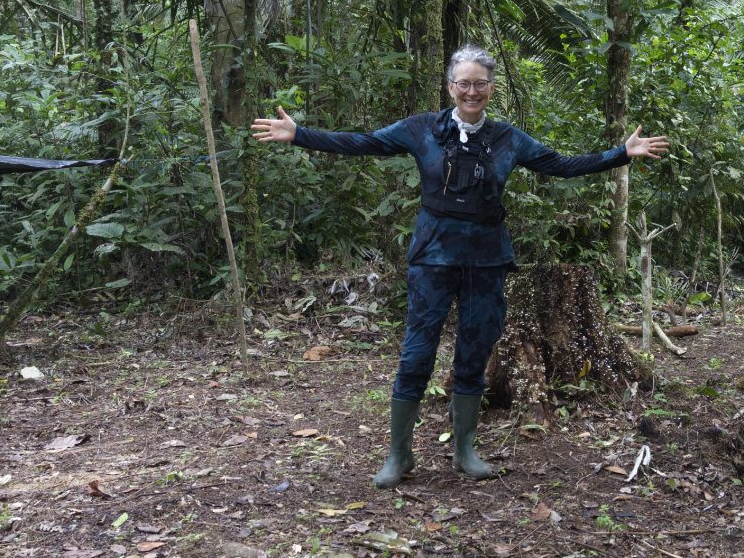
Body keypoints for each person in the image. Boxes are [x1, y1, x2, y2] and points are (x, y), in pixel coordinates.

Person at [251, 45, 668, 488]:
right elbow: (364, 143)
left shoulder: (508, 138)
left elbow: (562, 166)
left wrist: (621, 153)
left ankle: (465, 449)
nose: (472, 91)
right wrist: (300, 134)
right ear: (451, 86)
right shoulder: (421, 130)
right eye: (463, 83)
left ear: (491, 88)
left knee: (474, 349)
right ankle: (399, 454)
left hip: (487, 260)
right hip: (433, 257)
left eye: (480, 84)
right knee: (417, 352)